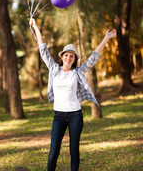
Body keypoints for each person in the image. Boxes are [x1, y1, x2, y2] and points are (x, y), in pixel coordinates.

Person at [29, 17, 116, 171]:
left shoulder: (78, 72)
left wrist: (106, 38)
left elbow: (94, 57)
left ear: (74, 59)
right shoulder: (54, 69)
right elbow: (43, 49)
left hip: (75, 115)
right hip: (59, 115)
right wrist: (36, 27)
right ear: (62, 57)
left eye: (72, 56)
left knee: (74, 150)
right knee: (53, 151)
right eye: (66, 55)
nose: (69, 57)